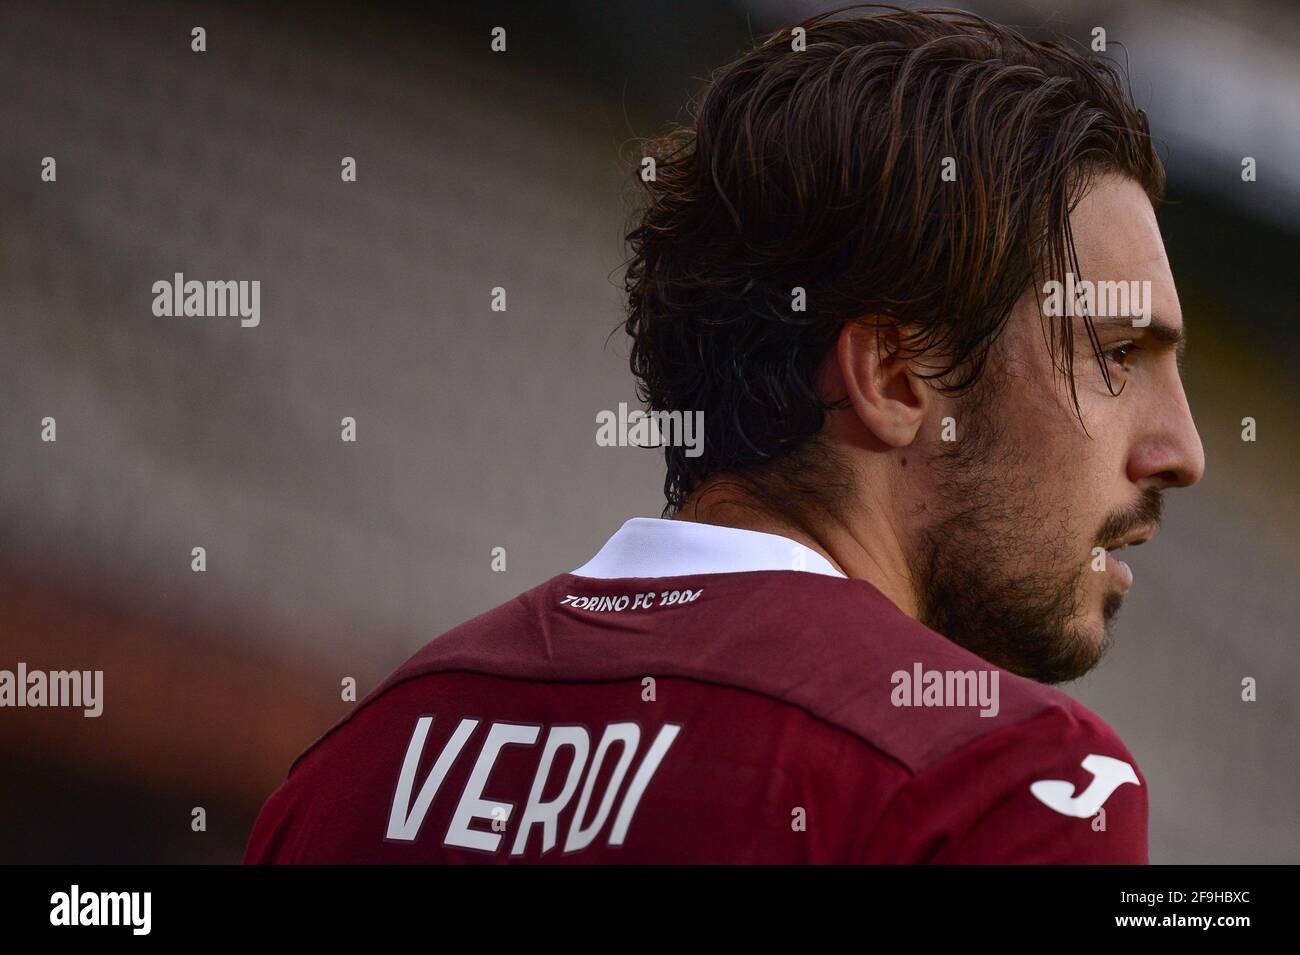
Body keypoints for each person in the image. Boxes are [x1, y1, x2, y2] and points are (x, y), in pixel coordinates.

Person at [246, 5, 1203, 864]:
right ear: (895, 376)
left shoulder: (356, 761)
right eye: (1118, 353)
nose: (1183, 449)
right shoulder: (1008, 780)